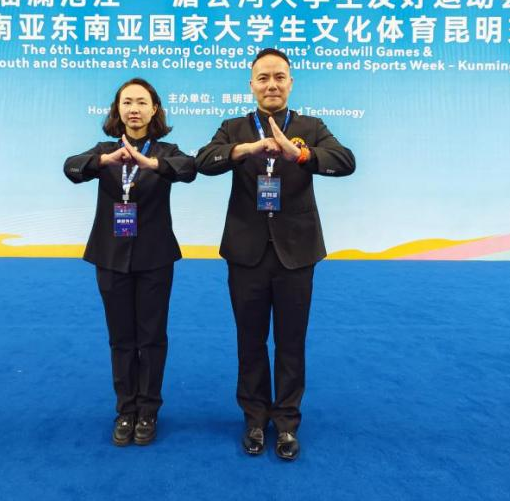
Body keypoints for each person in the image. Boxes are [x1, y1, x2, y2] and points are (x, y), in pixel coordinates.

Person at [195, 48, 355, 461]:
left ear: (291, 83)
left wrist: (298, 153)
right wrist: (245, 150)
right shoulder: (234, 127)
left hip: (296, 253)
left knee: (290, 342)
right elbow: (203, 162)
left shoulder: (310, 126)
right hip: (245, 252)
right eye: (263, 78)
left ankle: (285, 423)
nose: (271, 84)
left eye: (279, 77)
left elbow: (345, 161)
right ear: (251, 84)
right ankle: (254, 418)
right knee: (249, 341)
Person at [64, 77, 196, 447]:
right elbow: (71, 168)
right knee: (121, 338)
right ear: (117, 110)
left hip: (155, 258)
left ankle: (148, 409)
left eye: (141, 102)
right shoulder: (104, 151)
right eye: (127, 102)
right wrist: (104, 161)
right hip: (110, 257)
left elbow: (188, 169)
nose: (134, 109)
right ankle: (126, 409)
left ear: (154, 110)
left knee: (151, 337)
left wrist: (151, 163)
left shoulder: (166, 151)